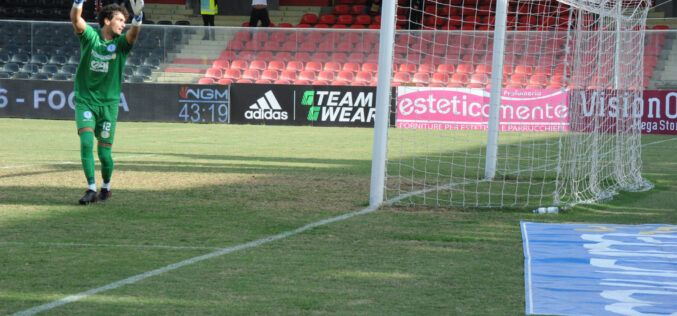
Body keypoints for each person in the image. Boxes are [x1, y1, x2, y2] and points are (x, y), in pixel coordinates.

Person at [70, 0, 143, 205]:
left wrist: (138, 19)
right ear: (106, 20)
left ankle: (106, 186)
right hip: (86, 101)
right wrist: (78, 3)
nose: (123, 24)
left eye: (125, 21)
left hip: (108, 105)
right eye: (119, 20)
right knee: (85, 143)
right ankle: (91, 188)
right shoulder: (90, 38)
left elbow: (133, 35)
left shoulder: (121, 45)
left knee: (104, 153)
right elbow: (76, 19)